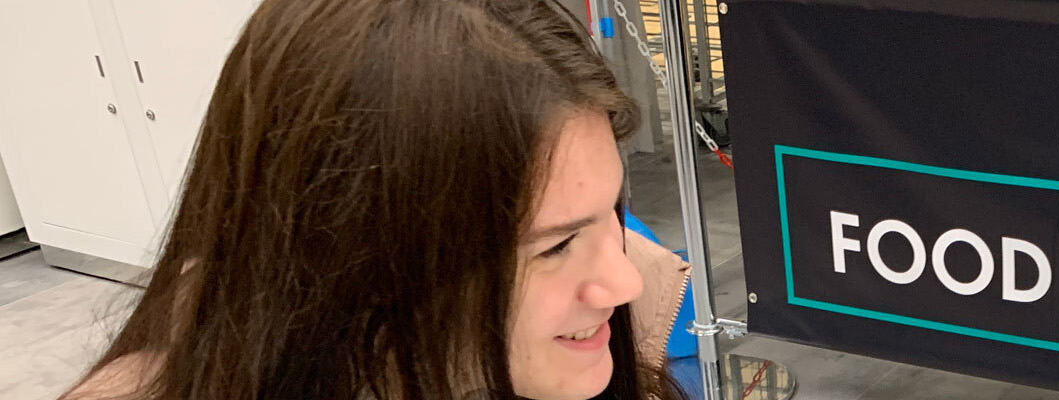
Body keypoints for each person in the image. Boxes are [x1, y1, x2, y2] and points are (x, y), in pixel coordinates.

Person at [59, 0, 690, 399]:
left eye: (611, 211)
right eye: (555, 246)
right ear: (353, 258)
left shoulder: (627, 321)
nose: (624, 281)